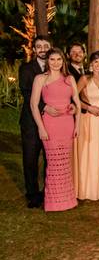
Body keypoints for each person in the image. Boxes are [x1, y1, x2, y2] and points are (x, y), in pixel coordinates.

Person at [30, 48, 81, 211]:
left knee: (65, 164)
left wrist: (77, 124)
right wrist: (41, 128)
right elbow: (34, 105)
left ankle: (67, 200)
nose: (56, 63)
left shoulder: (69, 78)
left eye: (59, 59)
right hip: (50, 124)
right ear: (47, 61)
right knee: (53, 163)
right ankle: (53, 202)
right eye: (52, 59)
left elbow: (77, 102)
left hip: (67, 124)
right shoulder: (40, 78)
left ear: (63, 61)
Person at [75, 51, 99, 201]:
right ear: (91, 63)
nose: (98, 65)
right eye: (96, 62)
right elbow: (74, 98)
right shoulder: (84, 79)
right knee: (88, 152)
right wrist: (89, 108)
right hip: (88, 119)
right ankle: (87, 189)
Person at [19, 36, 51, 208]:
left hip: (52, 121)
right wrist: (45, 107)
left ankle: (48, 191)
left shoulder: (56, 66)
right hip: (31, 122)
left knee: (49, 158)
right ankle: (32, 194)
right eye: (39, 46)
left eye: (46, 46)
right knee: (30, 158)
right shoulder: (26, 68)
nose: (43, 49)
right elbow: (26, 93)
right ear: (34, 49)